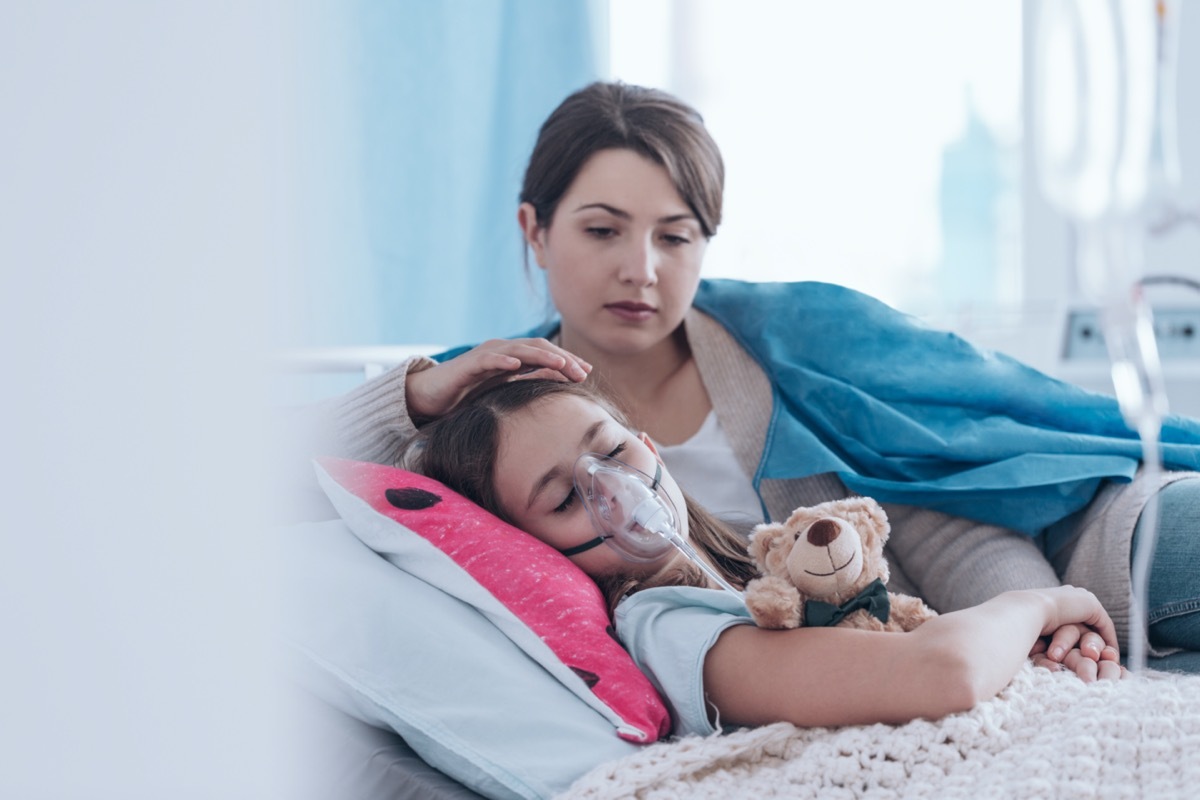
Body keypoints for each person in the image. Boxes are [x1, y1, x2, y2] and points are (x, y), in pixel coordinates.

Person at [329, 80, 1200, 672]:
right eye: (602, 231)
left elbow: (944, 523)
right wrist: (413, 394)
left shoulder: (788, 340)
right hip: (951, 645)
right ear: (534, 228)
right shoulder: (491, 420)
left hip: (1078, 540)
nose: (641, 268)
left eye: (675, 237)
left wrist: (1051, 614)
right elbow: (247, 483)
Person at [406, 377, 1126, 735]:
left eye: (612, 451)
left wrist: (1034, 646)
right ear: (532, 553)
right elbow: (945, 672)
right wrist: (1040, 603)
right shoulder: (667, 627)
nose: (617, 494)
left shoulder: (757, 568)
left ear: (648, 445)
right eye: (564, 499)